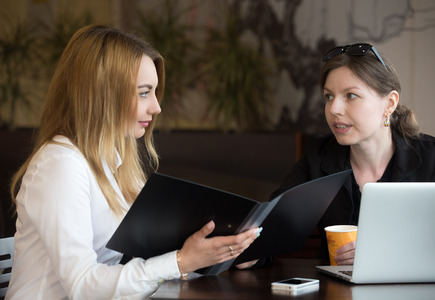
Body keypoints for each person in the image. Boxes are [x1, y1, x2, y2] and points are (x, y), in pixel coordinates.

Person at [6, 25, 260, 299]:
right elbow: (81, 285)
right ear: (103, 93)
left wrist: (222, 254)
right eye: (143, 92)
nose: (156, 107)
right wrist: (181, 261)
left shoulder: (115, 162)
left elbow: (155, 255)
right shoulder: (60, 166)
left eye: (154, 92)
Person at [271, 43, 435, 265]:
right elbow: (271, 228)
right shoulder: (319, 155)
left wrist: (383, 254)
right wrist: (250, 255)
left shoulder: (430, 157)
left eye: (351, 96)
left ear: (390, 103)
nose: (334, 108)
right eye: (328, 96)